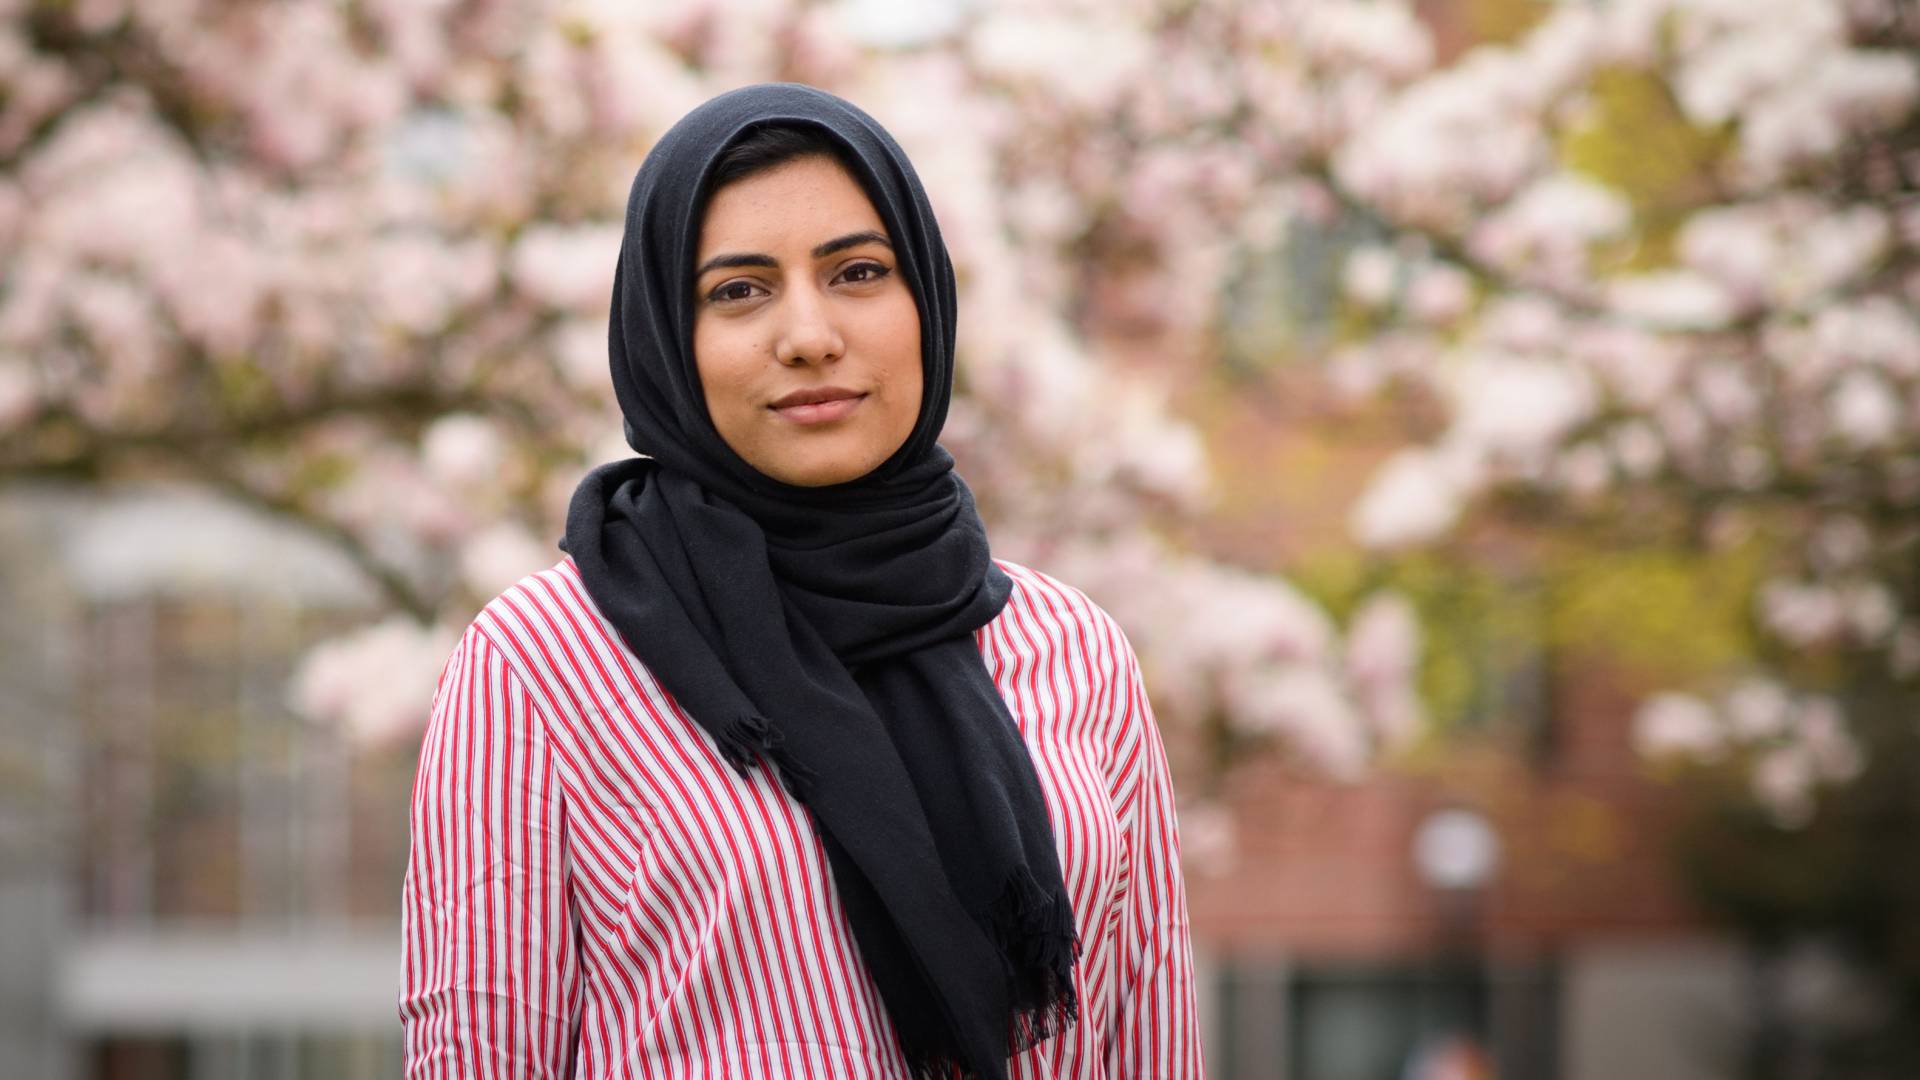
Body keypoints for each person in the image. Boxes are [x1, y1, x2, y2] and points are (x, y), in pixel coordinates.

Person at [398, 82, 1203, 1080]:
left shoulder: (1073, 651)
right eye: (739, 290)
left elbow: (1148, 1037)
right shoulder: (542, 665)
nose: (810, 335)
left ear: (926, 303)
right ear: (666, 340)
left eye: (858, 272)